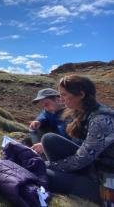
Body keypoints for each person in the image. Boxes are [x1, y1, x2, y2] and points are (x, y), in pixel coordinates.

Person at [41, 75, 114, 203]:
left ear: (81, 94)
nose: (61, 99)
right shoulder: (82, 111)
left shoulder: (100, 120)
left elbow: (81, 159)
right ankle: (67, 177)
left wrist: (49, 165)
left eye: (64, 95)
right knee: (49, 139)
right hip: (93, 166)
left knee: (44, 172)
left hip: (106, 181)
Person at [29, 88, 67, 154]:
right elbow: (44, 115)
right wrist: (39, 121)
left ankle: (42, 153)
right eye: (43, 106)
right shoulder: (50, 111)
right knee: (34, 128)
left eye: (46, 104)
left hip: (68, 147)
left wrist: (47, 145)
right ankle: (37, 150)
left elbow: (66, 137)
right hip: (55, 136)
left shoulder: (68, 114)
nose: (45, 108)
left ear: (58, 100)